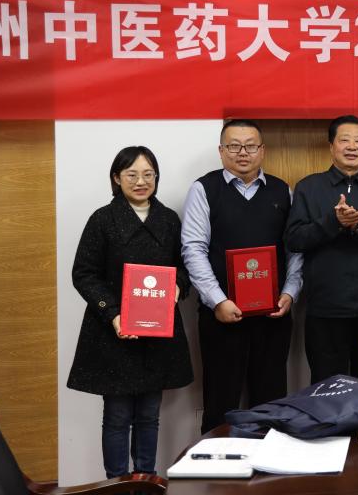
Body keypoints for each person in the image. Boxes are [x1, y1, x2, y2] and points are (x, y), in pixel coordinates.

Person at [68, 146, 193, 478]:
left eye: (148, 174)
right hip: (114, 333)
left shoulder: (169, 219)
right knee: (117, 416)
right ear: (116, 178)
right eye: (132, 174)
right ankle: (117, 484)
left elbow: (184, 266)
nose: (141, 181)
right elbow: (84, 274)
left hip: (157, 332)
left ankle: (146, 480)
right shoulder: (102, 219)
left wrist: (178, 287)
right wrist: (113, 314)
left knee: (150, 415)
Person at [181, 119, 303, 434]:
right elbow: (193, 249)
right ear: (221, 151)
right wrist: (218, 301)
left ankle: (271, 464)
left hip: (273, 316)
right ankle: (217, 464)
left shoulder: (282, 190)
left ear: (262, 150)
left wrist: (290, 293)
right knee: (221, 403)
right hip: (221, 316)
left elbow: (294, 249)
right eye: (234, 146)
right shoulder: (204, 189)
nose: (243, 152)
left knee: (271, 401)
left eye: (250, 145)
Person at [285, 115, 358, 383]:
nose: (352, 146)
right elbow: (294, 239)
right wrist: (333, 222)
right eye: (344, 140)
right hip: (324, 309)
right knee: (328, 389)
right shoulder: (308, 187)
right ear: (331, 146)